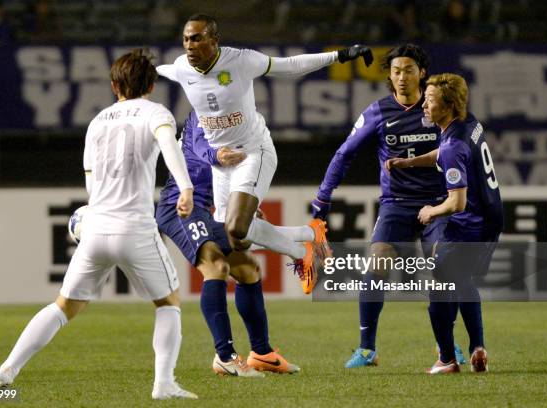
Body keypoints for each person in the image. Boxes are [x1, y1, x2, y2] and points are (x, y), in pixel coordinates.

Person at [0, 49, 198, 400]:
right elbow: (167, 145)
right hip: (135, 228)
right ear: (152, 84)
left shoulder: (97, 122)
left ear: (115, 85)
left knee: (63, 307)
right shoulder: (157, 113)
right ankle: (163, 384)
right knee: (168, 302)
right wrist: (185, 187)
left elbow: (90, 185)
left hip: (96, 227)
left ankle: (6, 370)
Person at [156, 13, 372, 294]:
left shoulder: (240, 61)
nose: (189, 45)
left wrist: (341, 55)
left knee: (236, 227)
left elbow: (291, 65)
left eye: (196, 38)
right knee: (237, 241)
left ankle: (302, 254)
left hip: (252, 153)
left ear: (214, 40)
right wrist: (141, 68)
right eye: (186, 39)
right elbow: (161, 69)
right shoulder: (182, 67)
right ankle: (310, 235)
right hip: (222, 168)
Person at [311, 44, 458, 368]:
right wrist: (324, 195)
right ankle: (367, 349)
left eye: (407, 70)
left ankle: (446, 349)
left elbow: (464, 150)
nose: (401, 77)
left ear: (422, 73)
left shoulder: (439, 109)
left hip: (438, 204)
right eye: (395, 71)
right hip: (396, 204)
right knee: (377, 263)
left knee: (444, 269)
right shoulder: (378, 112)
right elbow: (344, 154)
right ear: (389, 76)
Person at [157, 110, 312, 376]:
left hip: (206, 208)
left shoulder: (234, 121)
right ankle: (225, 356)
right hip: (180, 206)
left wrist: (242, 206)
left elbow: (230, 176)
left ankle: (262, 353)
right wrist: (217, 156)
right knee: (216, 266)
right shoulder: (203, 110)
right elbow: (200, 147)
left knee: (248, 269)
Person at [387, 73, 503, 374]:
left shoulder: (453, 146)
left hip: (469, 223)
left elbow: (457, 202)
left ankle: (447, 359)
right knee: (462, 281)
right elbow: (448, 153)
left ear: (449, 105)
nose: (424, 105)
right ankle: (478, 348)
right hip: (491, 217)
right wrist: (409, 162)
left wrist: (430, 212)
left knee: (440, 285)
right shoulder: (468, 124)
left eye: (430, 100)